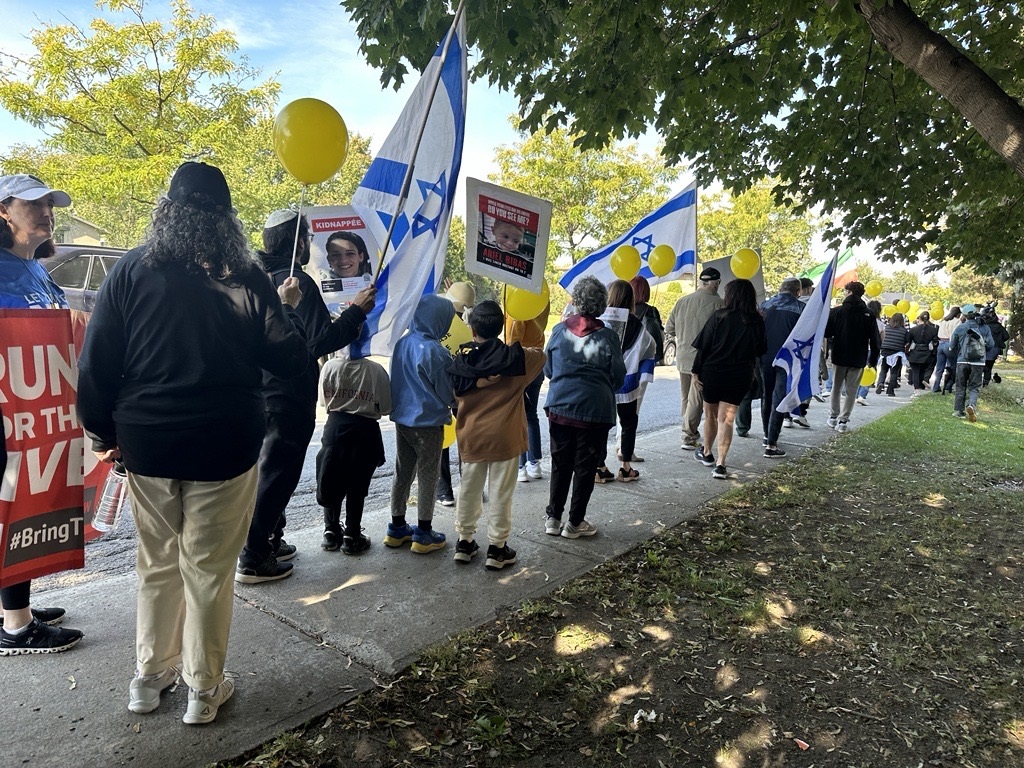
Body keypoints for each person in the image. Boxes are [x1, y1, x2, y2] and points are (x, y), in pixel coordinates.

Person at [77, 161, 308, 724]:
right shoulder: (248, 275)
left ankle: (148, 678)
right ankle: (204, 689)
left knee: (156, 562)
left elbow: (96, 363)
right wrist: (291, 309)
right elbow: (289, 361)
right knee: (207, 568)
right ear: (226, 217)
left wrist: (103, 433)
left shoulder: (131, 269)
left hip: (147, 443)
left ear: (166, 210)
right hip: (225, 444)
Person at [236, 211, 375, 584]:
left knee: (262, 472)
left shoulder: (250, 277)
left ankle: (268, 539)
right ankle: (254, 556)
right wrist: (357, 313)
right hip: (287, 393)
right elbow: (314, 343)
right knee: (278, 473)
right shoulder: (297, 284)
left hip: (254, 392)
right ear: (296, 241)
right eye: (308, 237)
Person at [0, 173, 84, 655]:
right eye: (33, 203)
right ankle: (15, 626)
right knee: (13, 506)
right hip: (10, 415)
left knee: (31, 503)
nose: (46, 210)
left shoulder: (35, 269)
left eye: (50, 203)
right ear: (4, 212)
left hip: (40, 411)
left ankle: (19, 605)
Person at [447, 300, 546, 569]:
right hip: (506, 437)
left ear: (472, 329)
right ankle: (497, 548)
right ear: (501, 326)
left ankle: (464, 542)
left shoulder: (461, 361)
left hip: (472, 436)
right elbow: (540, 353)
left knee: (469, 489)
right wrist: (511, 343)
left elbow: (454, 394)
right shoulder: (518, 359)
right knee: (501, 492)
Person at [543, 276, 625, 539]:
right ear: (601, 304)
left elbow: (548, 369)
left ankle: (553, 518)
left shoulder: (558, 331)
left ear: (576, 302)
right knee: (585, 468)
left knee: (560, 464)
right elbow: (618, 376)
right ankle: (574, 523)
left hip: (560, 407)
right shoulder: (609, 337)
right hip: (594, 411)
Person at [386, 294, 456, 554]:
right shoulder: (436, 351)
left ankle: (396, 527)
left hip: (402, 420)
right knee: (428, 475)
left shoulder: (402, 343)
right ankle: (424, 533)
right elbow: (447, 391)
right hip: (428, 424)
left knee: (403, 470)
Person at [316, 347, 391, 554]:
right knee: (357, 486)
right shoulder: (375, 370)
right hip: (364, 431)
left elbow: (324, 402)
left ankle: (330, 532)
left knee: (331, 478)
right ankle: (352, 535)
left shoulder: (329, 367)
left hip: (335, 428)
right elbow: (385, 407)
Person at [691, 278, 767, 479]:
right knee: (727, 419)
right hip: (740, 374)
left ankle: (707, 453)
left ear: (730, 295)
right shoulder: (757, 320)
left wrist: (695, 372)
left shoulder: (719, 316)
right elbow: (761, 349)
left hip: (713, 372)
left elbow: (703, 347)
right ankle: (721, 464)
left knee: (710, 415)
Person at [595, 280, 657, 481]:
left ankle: (600, 466)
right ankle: (626, 467)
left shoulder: (599, 322)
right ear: (630, 299)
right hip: (627, 382)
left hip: (603, 381)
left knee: (601, 424)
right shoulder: (638, 325)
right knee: (628, 423)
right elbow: (650, 346)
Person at [664, 267, 724, 451]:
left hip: (682, 357)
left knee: (686, 398)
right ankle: (688, 436)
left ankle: (687, 431)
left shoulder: (682, 301)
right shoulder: (720, 305)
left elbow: (669, 328)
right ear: (715, 283)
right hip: (704, 360)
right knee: (697, 399)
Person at [436, 281, 476, 505]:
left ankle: (444, 491)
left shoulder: (437, 322)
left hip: (440, 389)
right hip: (463, 390)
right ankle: (470, 487)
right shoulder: (471, 325)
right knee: (465, 439)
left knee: (442, 438)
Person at [824, 281, 880, 432]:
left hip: (839, 354)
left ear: (848, 292)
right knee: (851, 390)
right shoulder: (869, 313)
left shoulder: (837, 311)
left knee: (836, 387)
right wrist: (873, 360)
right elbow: (875, 339)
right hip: (859, 357)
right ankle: (843, 420)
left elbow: (827, 332)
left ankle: (833, 416)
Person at [505, 296, 549, 483]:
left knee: (518, 414)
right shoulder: (541, 296)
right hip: (537, 358)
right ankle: (534, 462)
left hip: (520, 360)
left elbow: (514, 335)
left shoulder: (520, 296)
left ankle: (521, 465)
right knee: (531, 414)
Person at [760, 277, 805, 458]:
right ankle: (772, 444)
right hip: (786, 360)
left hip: (764, 356)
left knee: (766, 395)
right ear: (798, 292)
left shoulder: (764, 305)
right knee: (778, 398)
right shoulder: (801, 309)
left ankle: (766, 434)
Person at [623, 275, 664, 461]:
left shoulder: (620, 314)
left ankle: (619, 446)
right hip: (640, 366)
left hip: (620, 365)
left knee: (619, 407)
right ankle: (627, 452)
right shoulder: (651, 312)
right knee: (633, 409)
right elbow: (656, 342)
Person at [948, 303, 995, 422]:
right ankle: (971, 405)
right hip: (978, 362)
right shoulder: (984, 327)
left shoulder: (960, 327)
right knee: (974, 387)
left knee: (960, 386)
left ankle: (959, 411)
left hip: (962, 361)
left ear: (963, 315)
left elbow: (952, 346)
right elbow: (991, 345)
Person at [855, 300, 884, 406]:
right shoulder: (880, 324)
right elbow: (881, 340)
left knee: (858, 371)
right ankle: (862, 395)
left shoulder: (861, 320)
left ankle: (854, 394)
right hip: (872, 350)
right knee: (869, 372)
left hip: (860, 349)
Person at [876, 313, 909, 397]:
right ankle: (890, 390)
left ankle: (880, 383)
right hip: (897, 353)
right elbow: (906, 342)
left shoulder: (886, 327)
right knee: (894, 372)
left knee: (883, 370)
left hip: (885, 352)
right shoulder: (904, 330)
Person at [907, 311, 939, 394]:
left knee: (915, 371)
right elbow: (935, 342)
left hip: (915, 351)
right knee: (922, 370)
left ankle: (916, 388)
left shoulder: (913, 329)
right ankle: (921, 386)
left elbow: (908, 342)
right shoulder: (933, 330)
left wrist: (907, 352)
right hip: (926, 352)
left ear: (919, 318)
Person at [931, 306, 962, 394]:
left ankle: (936, 386)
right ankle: (948, 385)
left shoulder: (943, 321)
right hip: (950, 343)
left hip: (941, 343)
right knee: (951, 366)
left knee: (939, 367)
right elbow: (956, 335)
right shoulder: (957, 322)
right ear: (958, 314)